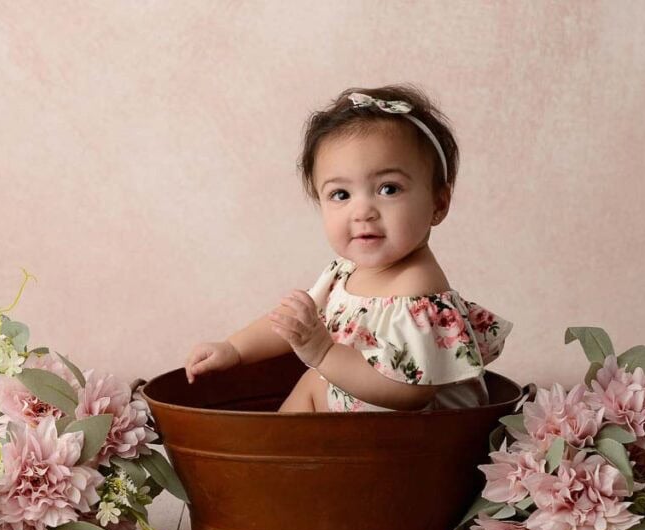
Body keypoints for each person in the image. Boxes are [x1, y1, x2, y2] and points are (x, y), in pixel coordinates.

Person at [184, 84, 513, 413]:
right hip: (364, 421)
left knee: (318, 378)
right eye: (341, 194)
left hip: (424, 433)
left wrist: (324, 353)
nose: (363, 211)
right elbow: (291, 327)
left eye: (388, 188)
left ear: (438, 203)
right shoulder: (345, 270)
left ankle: (278, 457)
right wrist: (233, 349)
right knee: (315, 382)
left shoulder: (417, 289)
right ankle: (277, 457)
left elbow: (411, 392)